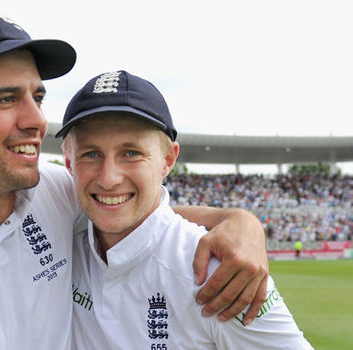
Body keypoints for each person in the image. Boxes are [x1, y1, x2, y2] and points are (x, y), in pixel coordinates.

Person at [0, 10, 268, 349]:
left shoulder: (55, 193)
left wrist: (238, 222)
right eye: (7, 99)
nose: (37, 120)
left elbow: (138, 210)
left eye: (37, 96)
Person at [57, 70, 312, 349]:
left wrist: (243, 220)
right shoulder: (61, 237)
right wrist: (236, 217)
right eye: (90, 154)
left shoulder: (221, 274)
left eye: (131, 153)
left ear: (168, 159)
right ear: (68, 162)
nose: (109, 178)